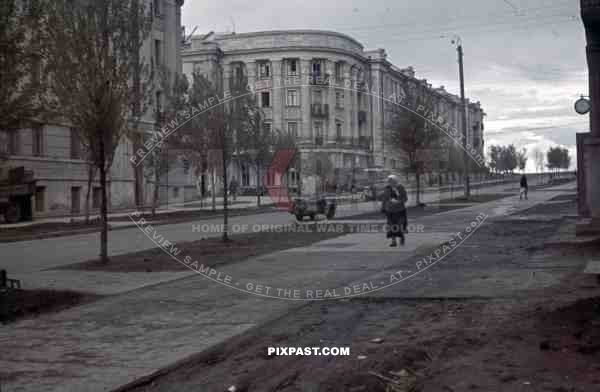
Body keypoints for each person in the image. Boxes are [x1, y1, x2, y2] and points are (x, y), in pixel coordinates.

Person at [382, 174, 408, 247]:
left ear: (395, 180)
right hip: (390, 211)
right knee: (391, 226)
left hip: (400, 210)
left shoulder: (400, 187)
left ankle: (402, 237)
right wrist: (383, 207)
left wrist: (398, 201)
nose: (390, 182)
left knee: (400, 226)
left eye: (392, 180)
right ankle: (393, 241)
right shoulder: (387, 188)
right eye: (389, 181)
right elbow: (384, 199)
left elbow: (405, 198)